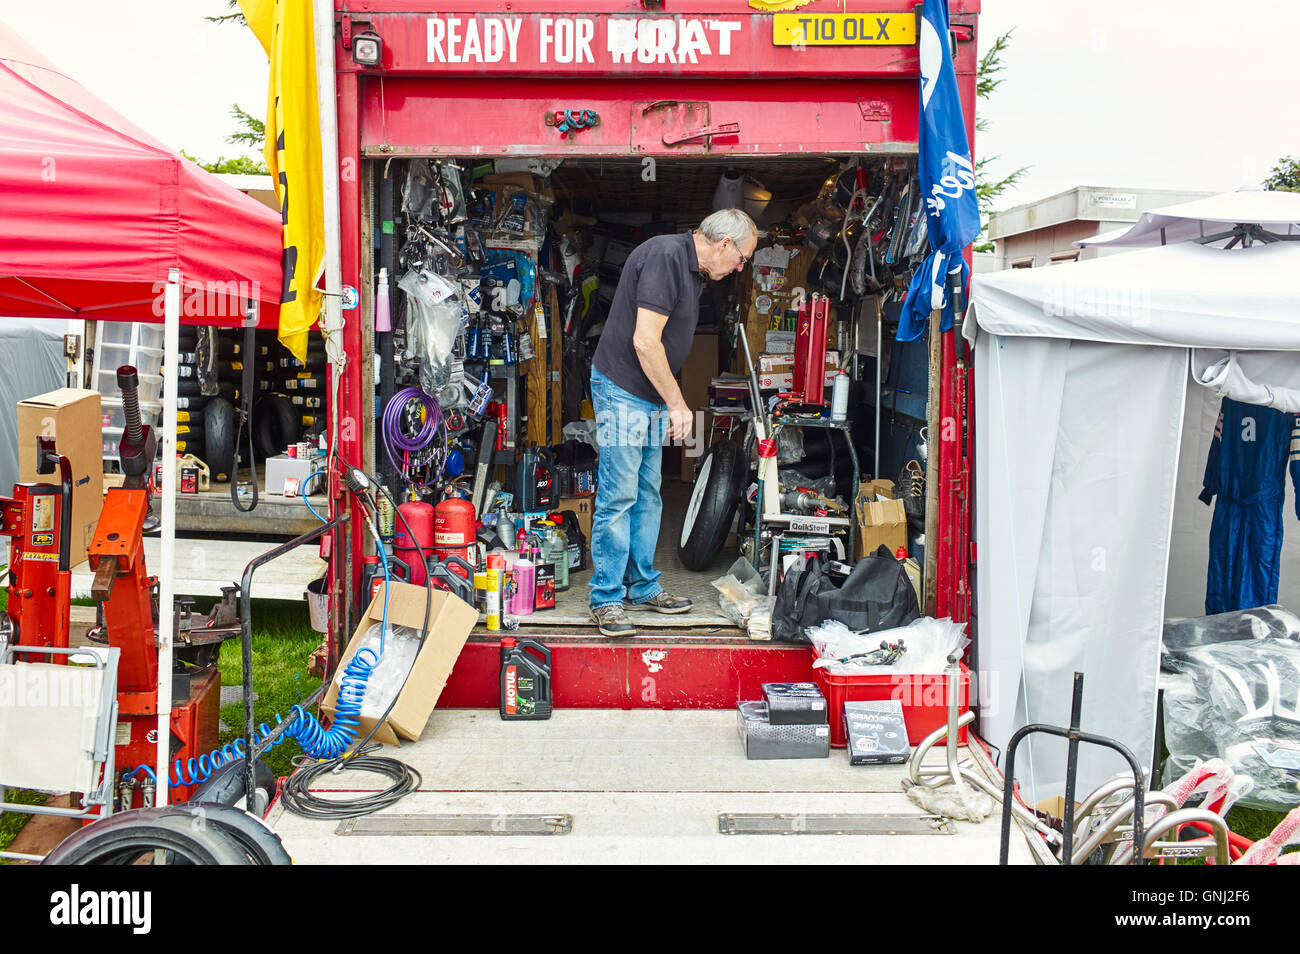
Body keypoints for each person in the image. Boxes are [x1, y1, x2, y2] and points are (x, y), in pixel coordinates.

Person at [587, 208, 759, 637]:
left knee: (648, 492)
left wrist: (664, 402)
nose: (741, 267)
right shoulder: (666, 257)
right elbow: (645, 341)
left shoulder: (692, 270)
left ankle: (642, 587)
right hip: (621, 389)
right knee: (618, 496)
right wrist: (678, 403)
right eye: (742, 259)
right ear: (723, 244)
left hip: (645, 396)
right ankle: (606, 599)